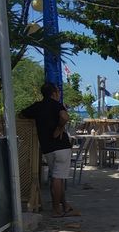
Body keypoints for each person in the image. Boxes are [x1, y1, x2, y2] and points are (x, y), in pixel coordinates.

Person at [21, 82, 79, 217]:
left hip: (47, 148)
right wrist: (59, 128)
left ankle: (65, 206)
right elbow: (64, 116)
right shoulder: (56, 104)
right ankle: (56, 210)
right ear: (54, 93)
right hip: (61, 146)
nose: (59, 94)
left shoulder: (37, 107)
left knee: (57, 177)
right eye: (58, 92)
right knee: (58, 179)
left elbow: (21, 115)